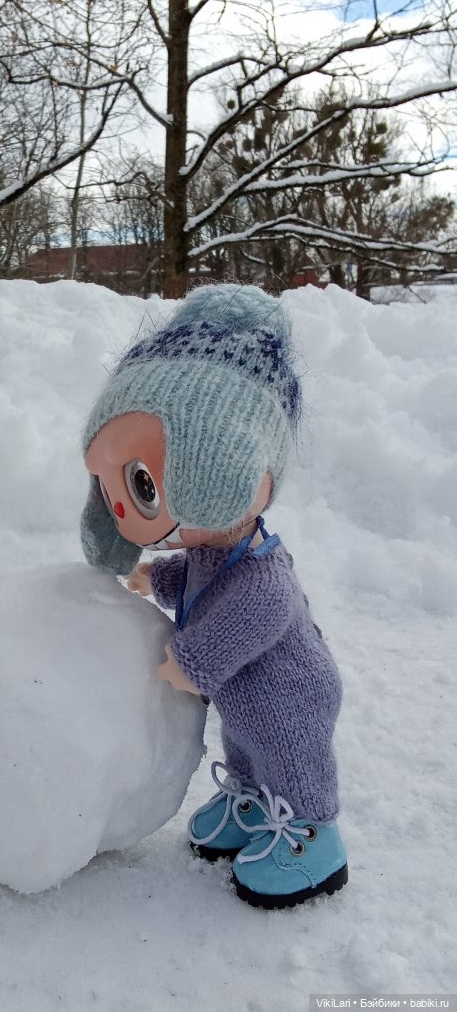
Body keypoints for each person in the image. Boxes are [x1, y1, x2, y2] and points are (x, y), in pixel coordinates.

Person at [80, 283, 347, 909]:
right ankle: (252, 801)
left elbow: (250, 616)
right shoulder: (213, 554)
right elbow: (201, 582)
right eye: (112, 483)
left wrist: (191, 663)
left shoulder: (263, 575)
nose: (120, 506)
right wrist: (159, 579)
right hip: (247, 698)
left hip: (292, 694)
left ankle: (314, 832)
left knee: (288, 755)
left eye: (142, 482)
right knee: (246, 747)